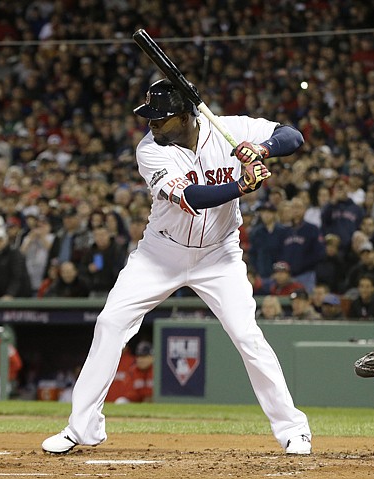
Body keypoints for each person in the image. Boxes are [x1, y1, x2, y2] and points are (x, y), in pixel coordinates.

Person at [42, 78, 312, 455]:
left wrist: (261, 148)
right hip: (161, 254)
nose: (152, 124)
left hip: (219, 255)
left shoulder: (228, 127)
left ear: (187, 116)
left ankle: (293, 429)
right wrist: (242, 185)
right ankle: (81, 428)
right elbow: (191, 197)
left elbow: (293, 136)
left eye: (161, 118)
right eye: (150, 117)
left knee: (247, 336)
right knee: (110, 323)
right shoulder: (150, 150)